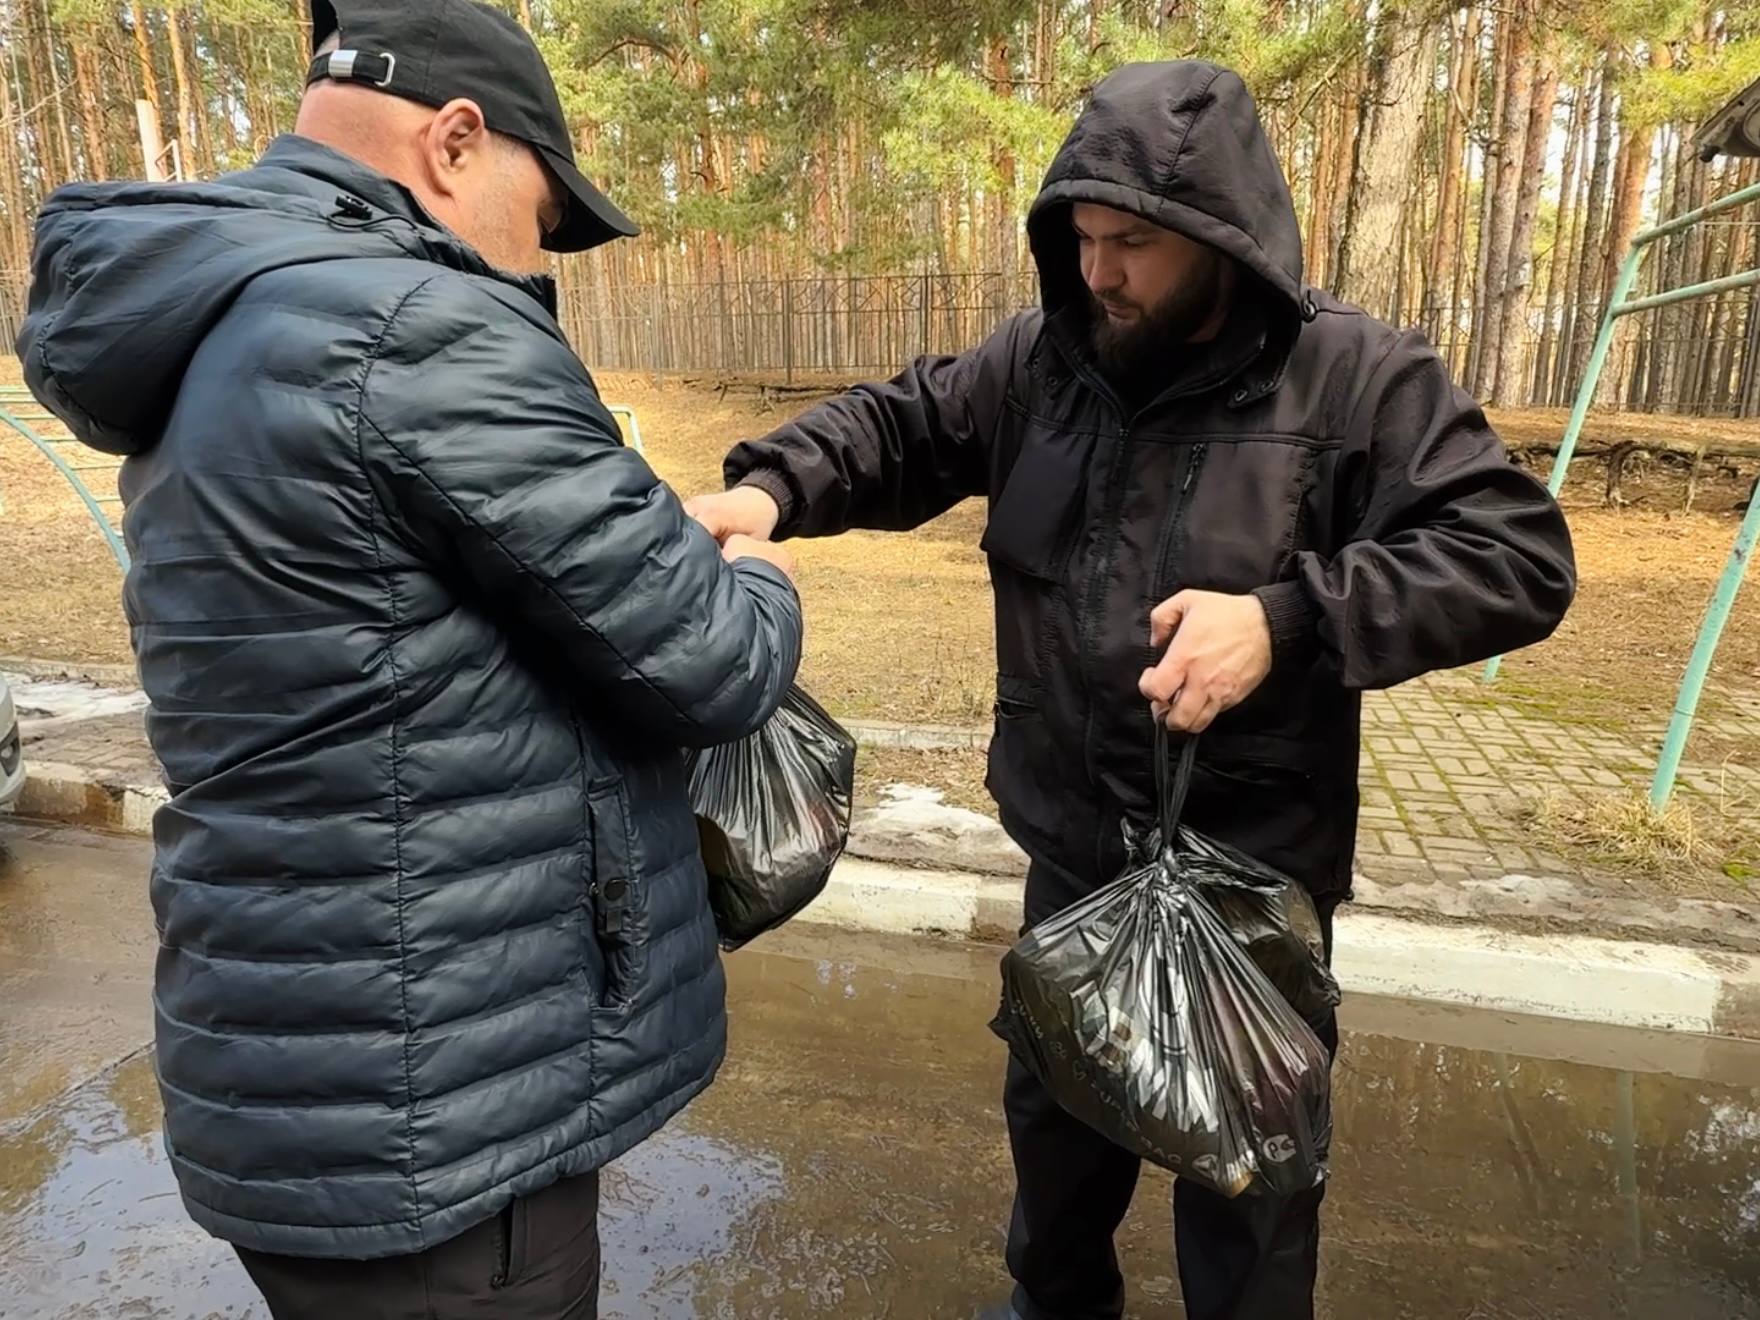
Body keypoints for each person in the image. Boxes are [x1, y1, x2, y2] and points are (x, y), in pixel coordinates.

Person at [687, 60, 1577, 1320]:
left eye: (1133, 245)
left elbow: (1512, 559)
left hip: (1246, 880)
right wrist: (769, 488)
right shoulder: (1043, 362)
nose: (1099, 273)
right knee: (1056, 1149)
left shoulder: (1356, 378)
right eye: (1082, 239)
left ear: (1222, 240)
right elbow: (900, 427)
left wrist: (1282, 619)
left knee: (1242, 1192)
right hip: (1068, 851)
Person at [18, 2, 801, 1316]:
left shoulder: (232, 316)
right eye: (540, 217)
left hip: (302, 1068)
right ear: (453, 142)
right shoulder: (413, 327)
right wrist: (758, 571)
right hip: (442, 1109)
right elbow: (712, 660)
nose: (536, 262)